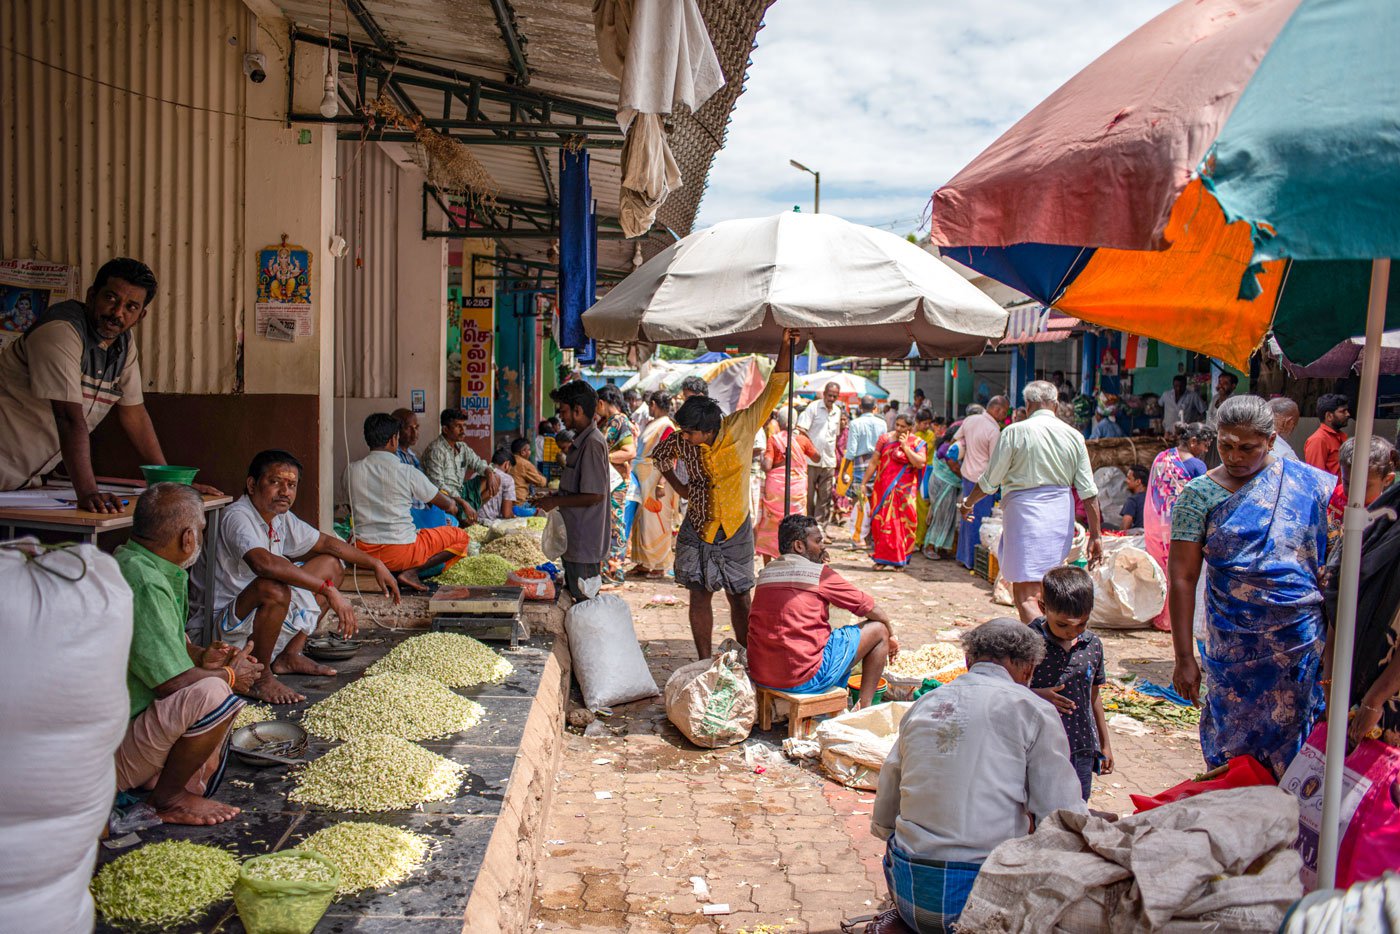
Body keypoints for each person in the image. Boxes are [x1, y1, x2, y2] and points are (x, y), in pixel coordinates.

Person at [872, 619, 1086, 932]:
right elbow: (1059, 812)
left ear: (969, 661)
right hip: (980, 899)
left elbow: (888, 796)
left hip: (909, 889)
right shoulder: (1033, 708)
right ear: (1027, 668)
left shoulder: (925, 703)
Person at [1169, 395, 1335, 778]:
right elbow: (1182, 578)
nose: (1234, 456)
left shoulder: (1308, 486)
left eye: (1248, 448)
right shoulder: (1198, 496)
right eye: (1225, 445)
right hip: (1234, 647)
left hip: (1301, 643)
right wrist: (1183, 657)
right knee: (1234, 749)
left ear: (1272, 441)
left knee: (1302, 749)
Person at [0, 258, 220, 508]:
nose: (117, 313)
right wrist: (88, 493)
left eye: (131, 306)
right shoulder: (61, 330)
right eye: (111, 299)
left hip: (20, 483)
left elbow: (134, 415)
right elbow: (67, 417)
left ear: (141, 315)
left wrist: (166, 483)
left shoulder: (123, 345)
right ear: (92, 296)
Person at [114, 483, 263, 825]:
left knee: (213, 684)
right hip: (110, 750)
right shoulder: (146, 583)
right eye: (200, 530)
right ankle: (167, 798)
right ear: (187, 538)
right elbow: (169, 684)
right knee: (214, 694)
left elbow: (169, 643)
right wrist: (229, 675)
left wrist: (200, 655)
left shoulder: (138, 562)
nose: (199, 537)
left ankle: (157, 778)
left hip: (128, 728)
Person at [209, 449, 400, 704]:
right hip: (229, 623)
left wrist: (375, 563)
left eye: (291, 485)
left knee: (331, 566)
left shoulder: (281, 518)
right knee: (275, 588)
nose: (285, 491)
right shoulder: (238, 516)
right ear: (252, 484)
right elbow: (263, 564)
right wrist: (328, 590)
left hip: (263, 617)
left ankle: (289, 655)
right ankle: (260, 677)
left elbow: (325, 543)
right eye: (275, 482)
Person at [653, 331, 796, 658]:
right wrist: (679, 487)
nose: (685, 438)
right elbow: (660, 458)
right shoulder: (681, 440)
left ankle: (747, 658)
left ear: (709, 429)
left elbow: (775, 386)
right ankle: (704, 661)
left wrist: (786, 345)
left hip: (735, 528)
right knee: (699, 596)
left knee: (740, 596)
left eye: (690, 433)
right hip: (697, 527)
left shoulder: (743, 425)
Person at [961, 381, 1103, 623]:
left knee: (1026, 595)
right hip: (1060, 515)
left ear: (1027, 405)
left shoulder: (1014, 432)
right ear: (1055, 405)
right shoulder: (1074, 436)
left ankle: (1041, 650)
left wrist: (968, 504)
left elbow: (989, 482)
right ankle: (1051, 645)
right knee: (1049, 586)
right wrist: (1096, 535)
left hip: (1025, 514)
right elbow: (1089, 492)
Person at [747, 515, 896, 707]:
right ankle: (864, 707)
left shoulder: (766, 573)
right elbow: (872, 609)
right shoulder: (820, 575)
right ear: (799, 546)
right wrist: (892, 636)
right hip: (803, 677)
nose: (823, 547)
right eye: (818, 542)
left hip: (761, 673)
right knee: (879, 630)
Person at [345, 413, 476, 591]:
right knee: (461, 537)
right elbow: (446, 504)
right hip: (402, 552)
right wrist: (453, 504)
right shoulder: (407, 472)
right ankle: (411, 572)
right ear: (393, 440)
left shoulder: (350, 471)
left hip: (361, 553)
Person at [1325, 475, 1400, 750]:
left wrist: (1375, 699)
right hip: (1355, 686)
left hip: (1380, 699)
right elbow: (1339, 593)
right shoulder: (1378, 517)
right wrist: (1331, 684)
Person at [1029, 567, 1112, 799]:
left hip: (1080, 745)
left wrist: (1104, 743)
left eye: (1081, 624)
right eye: (1063, 625)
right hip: (1038, 746)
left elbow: (1093, 695)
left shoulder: (1092, 645)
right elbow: (1006, 689)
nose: (1071, 632)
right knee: (1039, 805)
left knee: (1076, 805)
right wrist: (1037, 694)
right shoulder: (1029, 642)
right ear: (1043, 608)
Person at [535, 380, 610, 601]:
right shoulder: (582, 442)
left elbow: (594, 495)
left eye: (564, 411)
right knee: (577, 598)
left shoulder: (592, 444)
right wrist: (555, 497)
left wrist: (555, 502)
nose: (561, 417)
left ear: (578, 410)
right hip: (575, 538)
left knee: (585, 602)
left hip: (585, 542)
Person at [755, 406, 818, 563]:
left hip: (775, 489)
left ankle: (768, 564)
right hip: (796, 489)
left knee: (770, 525)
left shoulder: (774, 440)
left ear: (779, 422)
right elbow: (817, 457)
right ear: (795, 423)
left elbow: (767, 466)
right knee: (796, 524)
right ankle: (794, 561)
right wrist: (805, 437)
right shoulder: (802, 440)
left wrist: (764, 458)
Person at [866, 413, 928, 569]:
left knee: (904, 523)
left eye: (903, 426)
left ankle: (899, 561)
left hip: (905, 490)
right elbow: (874, 461)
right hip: (884, 488)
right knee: (883, 522)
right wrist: (864, 482)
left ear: (910, 428)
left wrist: (906, 447)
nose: (899, 429)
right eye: (897, 425)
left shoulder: (918, 443)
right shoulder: (885, 439)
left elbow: (920, 463)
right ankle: (881, 559)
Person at [629, 390, 679, 578]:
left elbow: (670, 455)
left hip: (658, 478)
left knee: (656, 523)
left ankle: (659, 564)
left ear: (654, 405)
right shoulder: (653, 424)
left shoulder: (667, 426)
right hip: (644, 479)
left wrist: (661, 482)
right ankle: (643, 562)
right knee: (641, 522)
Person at [954, 397, 1007, 570]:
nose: (1005, 415)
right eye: (1005, 411)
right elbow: (995, 461)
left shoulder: (969, 420)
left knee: (966, 516)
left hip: (967, 475)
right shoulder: (994, 431)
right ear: (998, 410)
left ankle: (963, 556)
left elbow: (956, 440)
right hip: (983, 482)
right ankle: (973, 561)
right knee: (980, 521)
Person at [595, 385, 637, 583]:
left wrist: (604, 458)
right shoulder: (610, 421)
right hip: (609, 481)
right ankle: (608, 570)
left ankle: (614, 572)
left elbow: (629, 451)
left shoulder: (620, 421)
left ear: (602, 403)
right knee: (609, 524)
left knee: (615, 525)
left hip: (616, 483)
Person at [421, 408, 494, 521]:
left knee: (495, 479)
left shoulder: (462, 447)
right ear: (445, 429)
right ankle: (464, 518)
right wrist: (463, 502)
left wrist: (489, 473)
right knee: (451, 505)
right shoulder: (436, 450)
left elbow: (478, 463)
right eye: (458, 426)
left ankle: (467, 516)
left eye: (464, 425)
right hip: (443, 496)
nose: (462, 430)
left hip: (460, 491)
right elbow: (437, 485)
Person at [392, 408, 456, 530]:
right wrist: (447, 503)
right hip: (411, 516)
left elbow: (426, 488)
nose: (415, 433)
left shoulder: (411, 455)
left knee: (452, 522)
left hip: (423, 511)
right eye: (409, 428)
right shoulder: (395, 457)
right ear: (397, 431)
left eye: (416, 428)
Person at [797, 381, 842, 524]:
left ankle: (820, 528)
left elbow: (836, 435)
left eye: (835, 396)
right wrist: (812, 449)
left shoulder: (837, 411)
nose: (832, 399)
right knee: (809, 496)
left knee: (825, 496)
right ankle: (808, 525)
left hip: (828, 460)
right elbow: (801, 430)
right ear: (824, 394)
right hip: (810, 460)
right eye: (830, 395)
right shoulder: (813, 408)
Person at [845, 396, 888, 545]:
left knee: (860, 502)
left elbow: (851, 450)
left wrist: (845, 469)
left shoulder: (855, 423)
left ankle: (859, 537)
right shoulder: (882, 423)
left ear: (860, 408)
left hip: (859, 464)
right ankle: (872, 537)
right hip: (878, 464)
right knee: (875, 500)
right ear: (875, 408)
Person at [1305, 393, 1352, 478]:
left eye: (1347, 411)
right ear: (1329, 416)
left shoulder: (1341, 436)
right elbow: (1316, 477)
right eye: (1342, 411)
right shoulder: (1318, 440)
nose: (1348, 414)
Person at [478, 448, 517, 522]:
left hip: (473, 519)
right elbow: (506, 513)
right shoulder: (507, 479)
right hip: (491, 523)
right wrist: (513, 516)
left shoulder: (476, 474)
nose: (509, 472)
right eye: (510, 468)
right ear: (507, 464)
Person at [1119, 464, 1149, 531]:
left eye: (1129, 478)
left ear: (1138, 482)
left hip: (1138, 539)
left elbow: (1125, 527)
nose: (1126, 480)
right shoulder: (1154, 499)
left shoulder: (1132, 500)